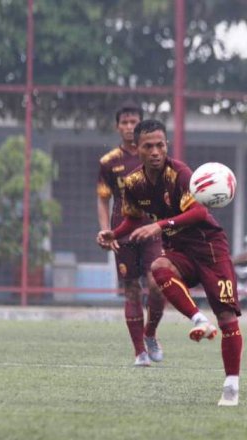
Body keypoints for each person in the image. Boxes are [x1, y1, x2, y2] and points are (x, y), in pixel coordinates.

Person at [97, 119, 244, 406]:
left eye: (160, 145)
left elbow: (200, 213)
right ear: (136, 149)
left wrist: (160, 226)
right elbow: (134, 218)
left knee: (227, 318)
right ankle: (198, 319)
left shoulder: (179, 173)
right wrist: (113, 233)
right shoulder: (134, 183)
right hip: (179, 249)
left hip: (211, 249)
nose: (155, 151)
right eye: (148, 146)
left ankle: (231, 386)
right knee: (158, 269)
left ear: (167, 146)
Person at [96, 102, 165, 367]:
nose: (128, 127)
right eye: (124, 122)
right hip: (123, 232)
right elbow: (103, 199)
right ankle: (140, 352)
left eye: (133, 122)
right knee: (132, 290)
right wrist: (106, 230)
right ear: (117, 127)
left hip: (152, 229)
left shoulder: (154, 156)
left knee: (158, 285)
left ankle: (151, 334)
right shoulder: (109, 162)